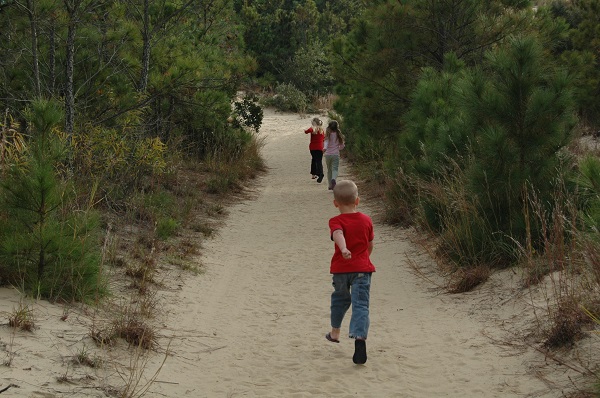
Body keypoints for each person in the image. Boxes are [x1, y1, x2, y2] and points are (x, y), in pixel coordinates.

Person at [324, 180, 375, 365]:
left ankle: (335, 332)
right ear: (358, 201)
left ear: (335, 203)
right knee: (361, 305)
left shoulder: (335, 220)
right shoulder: (366, 220)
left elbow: (338, 233)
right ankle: (360, 339)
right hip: (362, 269)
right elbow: (369, 245)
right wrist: (363, 259)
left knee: (340, 299)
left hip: (341, 270)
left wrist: (344, 249)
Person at [323, 120, 345, 190]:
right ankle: (333, 179)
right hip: (335, 154)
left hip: (328, 155)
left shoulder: (327, 135)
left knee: (329, 170)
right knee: (334, 169)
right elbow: (342, 146)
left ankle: (330, 185)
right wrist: (339, 148)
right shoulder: (338, 135)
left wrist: (324, 149)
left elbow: (326, 144)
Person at [304, 117, 325, 183]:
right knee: (319, 161)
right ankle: (318, 173)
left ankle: (318, 173)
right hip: (320, 147)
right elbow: (323, 139)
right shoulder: (322, 130)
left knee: (314, 159)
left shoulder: (312, 129)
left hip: (313, 147)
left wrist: (305, 130)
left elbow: (306, 131)